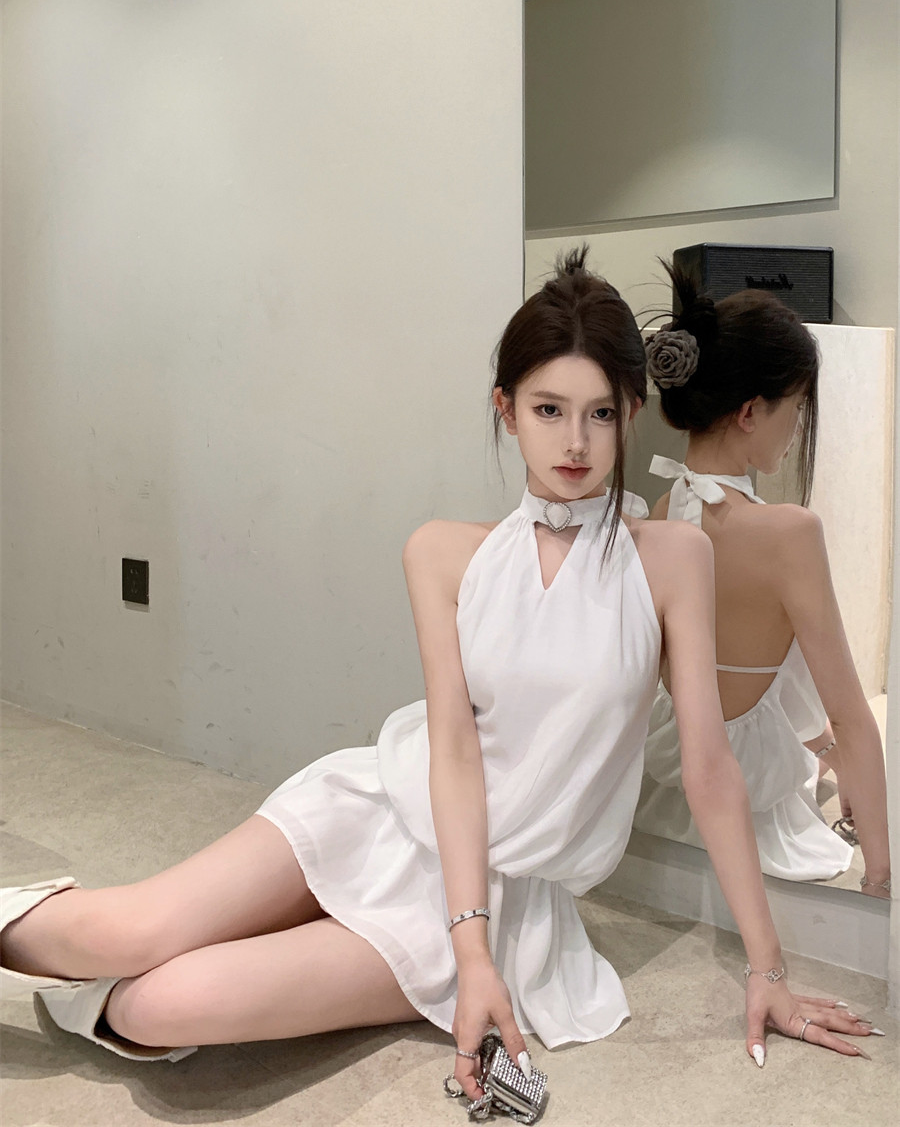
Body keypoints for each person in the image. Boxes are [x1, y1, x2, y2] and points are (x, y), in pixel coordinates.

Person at [0, 250, 878, 1098]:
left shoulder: (673, 557)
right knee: (125, 931)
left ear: (632, 412)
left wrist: (768, 968)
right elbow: (453, 748)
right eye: (548, 409)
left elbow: (709, 770)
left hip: (508, 890)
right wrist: (468, 949)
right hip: (382, 807)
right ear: (507, 410)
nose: (575, 441)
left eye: (601, 414)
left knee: (158, 1004)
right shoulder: (443, 553)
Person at [635, 264, 891, 894]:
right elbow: (851, 714)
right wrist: (883, 873)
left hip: (664, 795)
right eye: (797, 408)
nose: (798, 427)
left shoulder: (662, 512)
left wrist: (827, 751)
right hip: (750, 809)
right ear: (751, 411)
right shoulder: (788, 532)